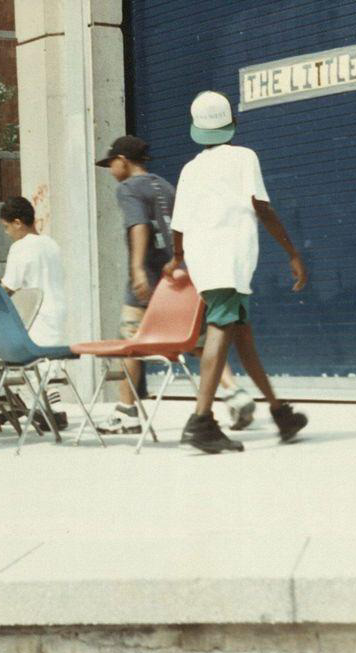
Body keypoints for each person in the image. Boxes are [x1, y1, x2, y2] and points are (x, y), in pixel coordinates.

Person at [163, 90, 308, 453]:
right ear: (232, 124)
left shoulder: (190, 169)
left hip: (205, 262)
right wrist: (292, 251)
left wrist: (178, 257)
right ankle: (200, 421)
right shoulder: (244, 157)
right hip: (230, 260)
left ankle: (279, 411)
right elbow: (262, 206)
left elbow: (178, 225)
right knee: (220, 328)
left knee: (242, 339)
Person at [95, 135, 256, 434]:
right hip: (179, 280)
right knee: (197, 342)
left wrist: (137, 268)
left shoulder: (128, 188)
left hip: (148, 281)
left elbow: (139, 226)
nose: (109, 170)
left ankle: (127, 412)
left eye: (111, 164)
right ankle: (234, 392)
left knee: (130, 343)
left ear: (123, 161)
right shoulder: (166, 186)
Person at [0, 195, 69, 429]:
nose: (7, 233)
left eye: (7, 227)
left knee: (35, 363)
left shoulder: (20, 247)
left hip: (36, 311)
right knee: (48, 362)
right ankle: (50, 410)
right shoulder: (51, 243)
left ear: (18, 222)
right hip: (57, 307)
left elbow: (9, 285)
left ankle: (52, 411)